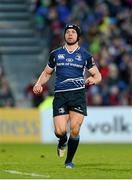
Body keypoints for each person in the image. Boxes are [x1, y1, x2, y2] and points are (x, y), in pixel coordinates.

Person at [33, 24, 102, 168]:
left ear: (78, 36)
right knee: (60, 131)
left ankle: (69, 161)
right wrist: (38, 84)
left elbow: (98, 75)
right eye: (68, 32)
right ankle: (62, 140)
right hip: (60, 96)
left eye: (73, 32)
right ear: (64, 35)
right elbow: (47, 73)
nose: (70, 34)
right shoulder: (56, 54)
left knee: (75, 129)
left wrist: (94, 80)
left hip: (78, 95)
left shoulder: (85, 55)